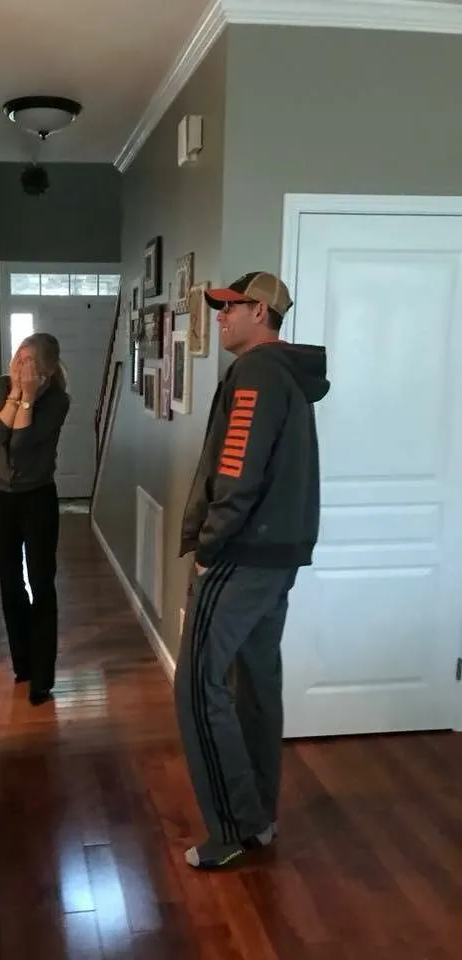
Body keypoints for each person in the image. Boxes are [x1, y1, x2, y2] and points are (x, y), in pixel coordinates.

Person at [174, 271, 330, 869]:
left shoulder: (257, 373)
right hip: (276, 556)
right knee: (256, 680)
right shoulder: (285, 374)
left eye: (229, 308)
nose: (219, 317)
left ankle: (233, 829)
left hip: (240, 555)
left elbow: (237, 468)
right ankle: (259, 817)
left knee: (198, 685)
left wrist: (210, 546)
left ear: (260, 311)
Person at [0, 332, 70, 706]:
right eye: (18, 357)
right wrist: (16, 393)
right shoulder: (0, 386)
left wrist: (28, 397)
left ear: (46, 369)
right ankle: (22, 663)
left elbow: (19, 443)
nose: (19, 366)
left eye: (28, 361)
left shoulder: (57, 400)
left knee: (41, 582)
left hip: (38, 498)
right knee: (9, 582)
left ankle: (43, 677)